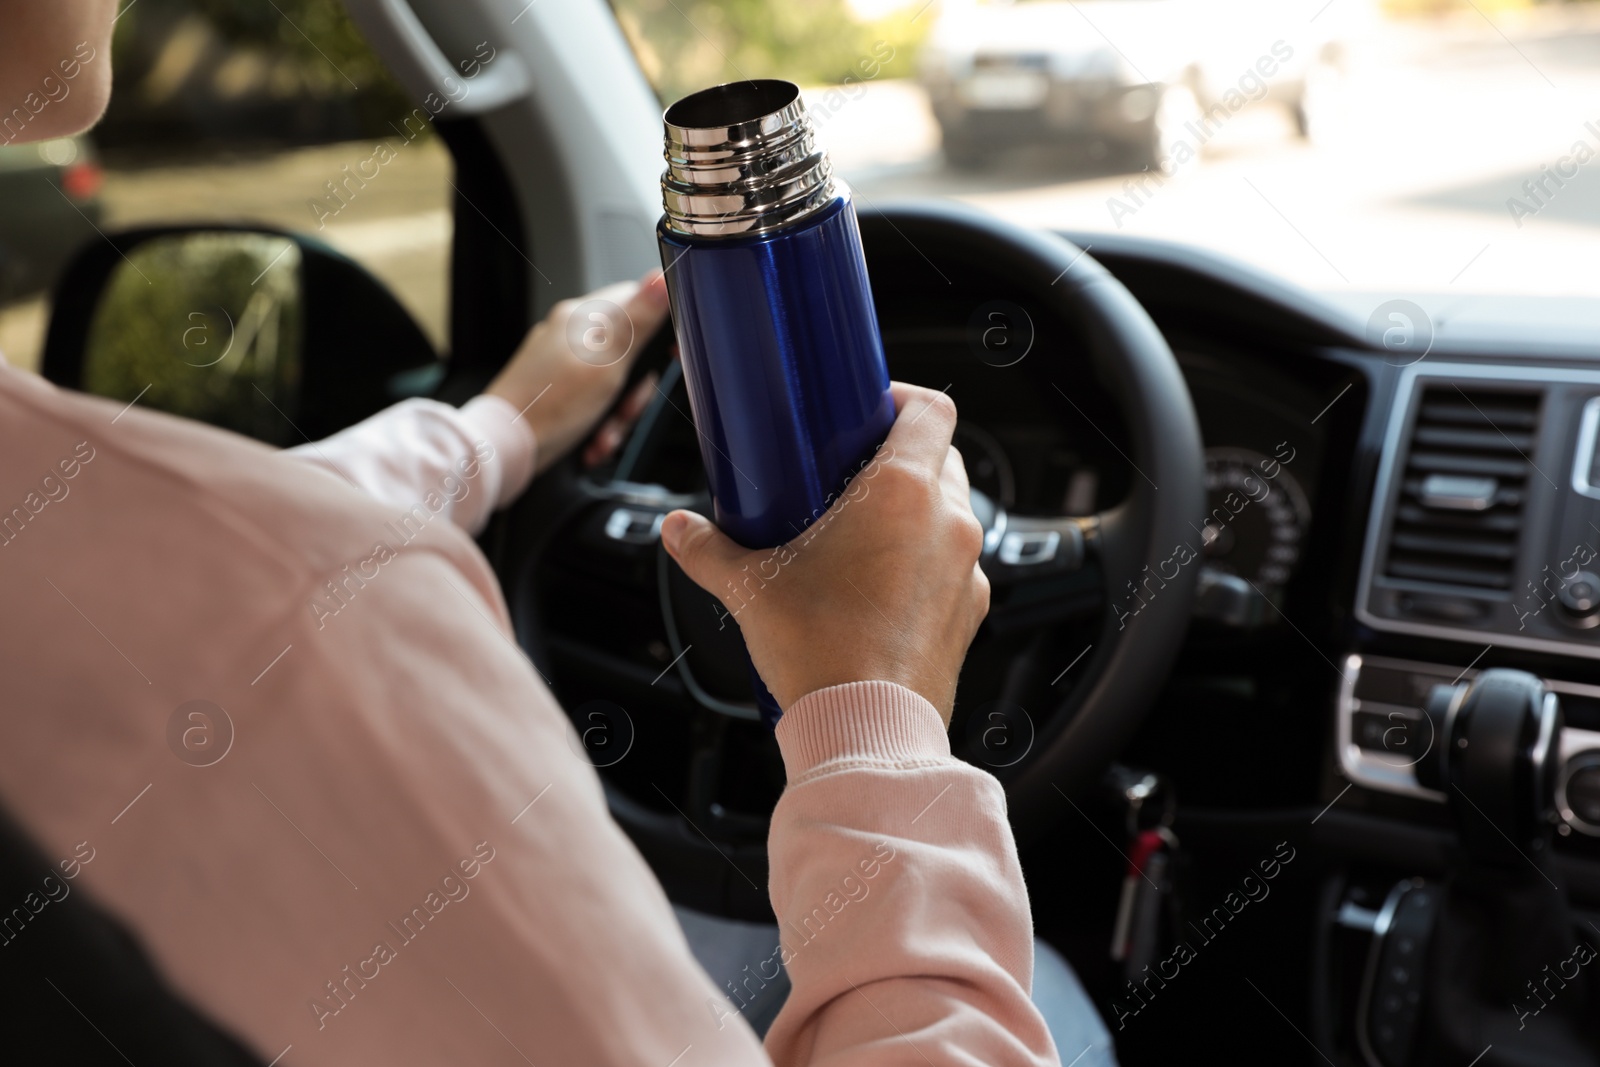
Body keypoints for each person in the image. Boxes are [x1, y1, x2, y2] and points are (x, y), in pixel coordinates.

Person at [0, 2, 1116, 1064]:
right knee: (1059, 1001)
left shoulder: (184, 573)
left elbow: (185, 556)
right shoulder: (301, 639)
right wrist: (876, 711)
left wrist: (498, 429)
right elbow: (257, 571)